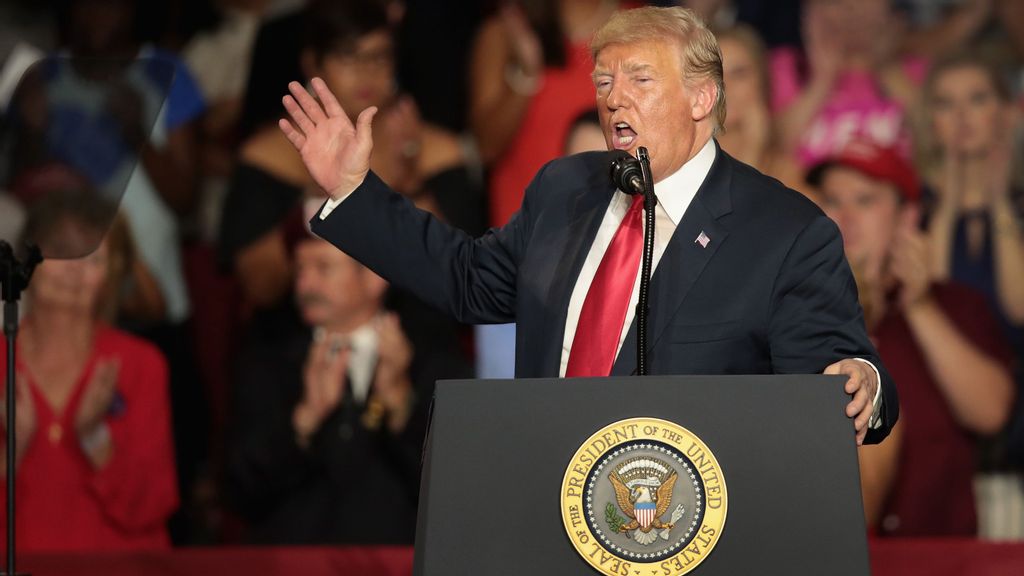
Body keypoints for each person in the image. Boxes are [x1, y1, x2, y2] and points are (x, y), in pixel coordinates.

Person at [281, 6, 897, 445]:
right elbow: (467, 280)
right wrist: (352, 191)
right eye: (604, 81)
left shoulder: (786, 231)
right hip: (550, 503)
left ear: (702, 98)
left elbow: (838, 373)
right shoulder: (565, 190)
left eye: (640, 80)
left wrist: (862, 383)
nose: (612, 99)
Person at [224, 212, 471, 544]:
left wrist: (400, 404)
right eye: (299, 270)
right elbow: (240, 490)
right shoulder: (268, 361)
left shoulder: (431, 359)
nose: (304, 285)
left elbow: (462, 491)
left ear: (373, 278)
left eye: (323, 269)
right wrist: (305, 418)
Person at [811, 140, 1014, 536]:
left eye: (866, 201)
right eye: (832, 200)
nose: (845, 217)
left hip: (938, 558)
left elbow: (992, 414)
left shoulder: (955, 306)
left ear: (908, 218)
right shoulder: (794, 310)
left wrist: (919, 307)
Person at [0, 191, 178, 551]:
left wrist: (95, 438)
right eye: (59, 249)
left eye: (92, 256)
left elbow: (152, 506)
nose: (73, 269)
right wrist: (11, 453)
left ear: (113, 272)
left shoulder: (140, 364)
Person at [915, 50, 1024, 539]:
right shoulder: (911, 210)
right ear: (929, 119)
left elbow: (1018, 310)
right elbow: (941, 302)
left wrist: (998, 199)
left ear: (1006, 111)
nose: (961, 118)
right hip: (944, 427)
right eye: (945, 104)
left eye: (977, 100)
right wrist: (951, 199)